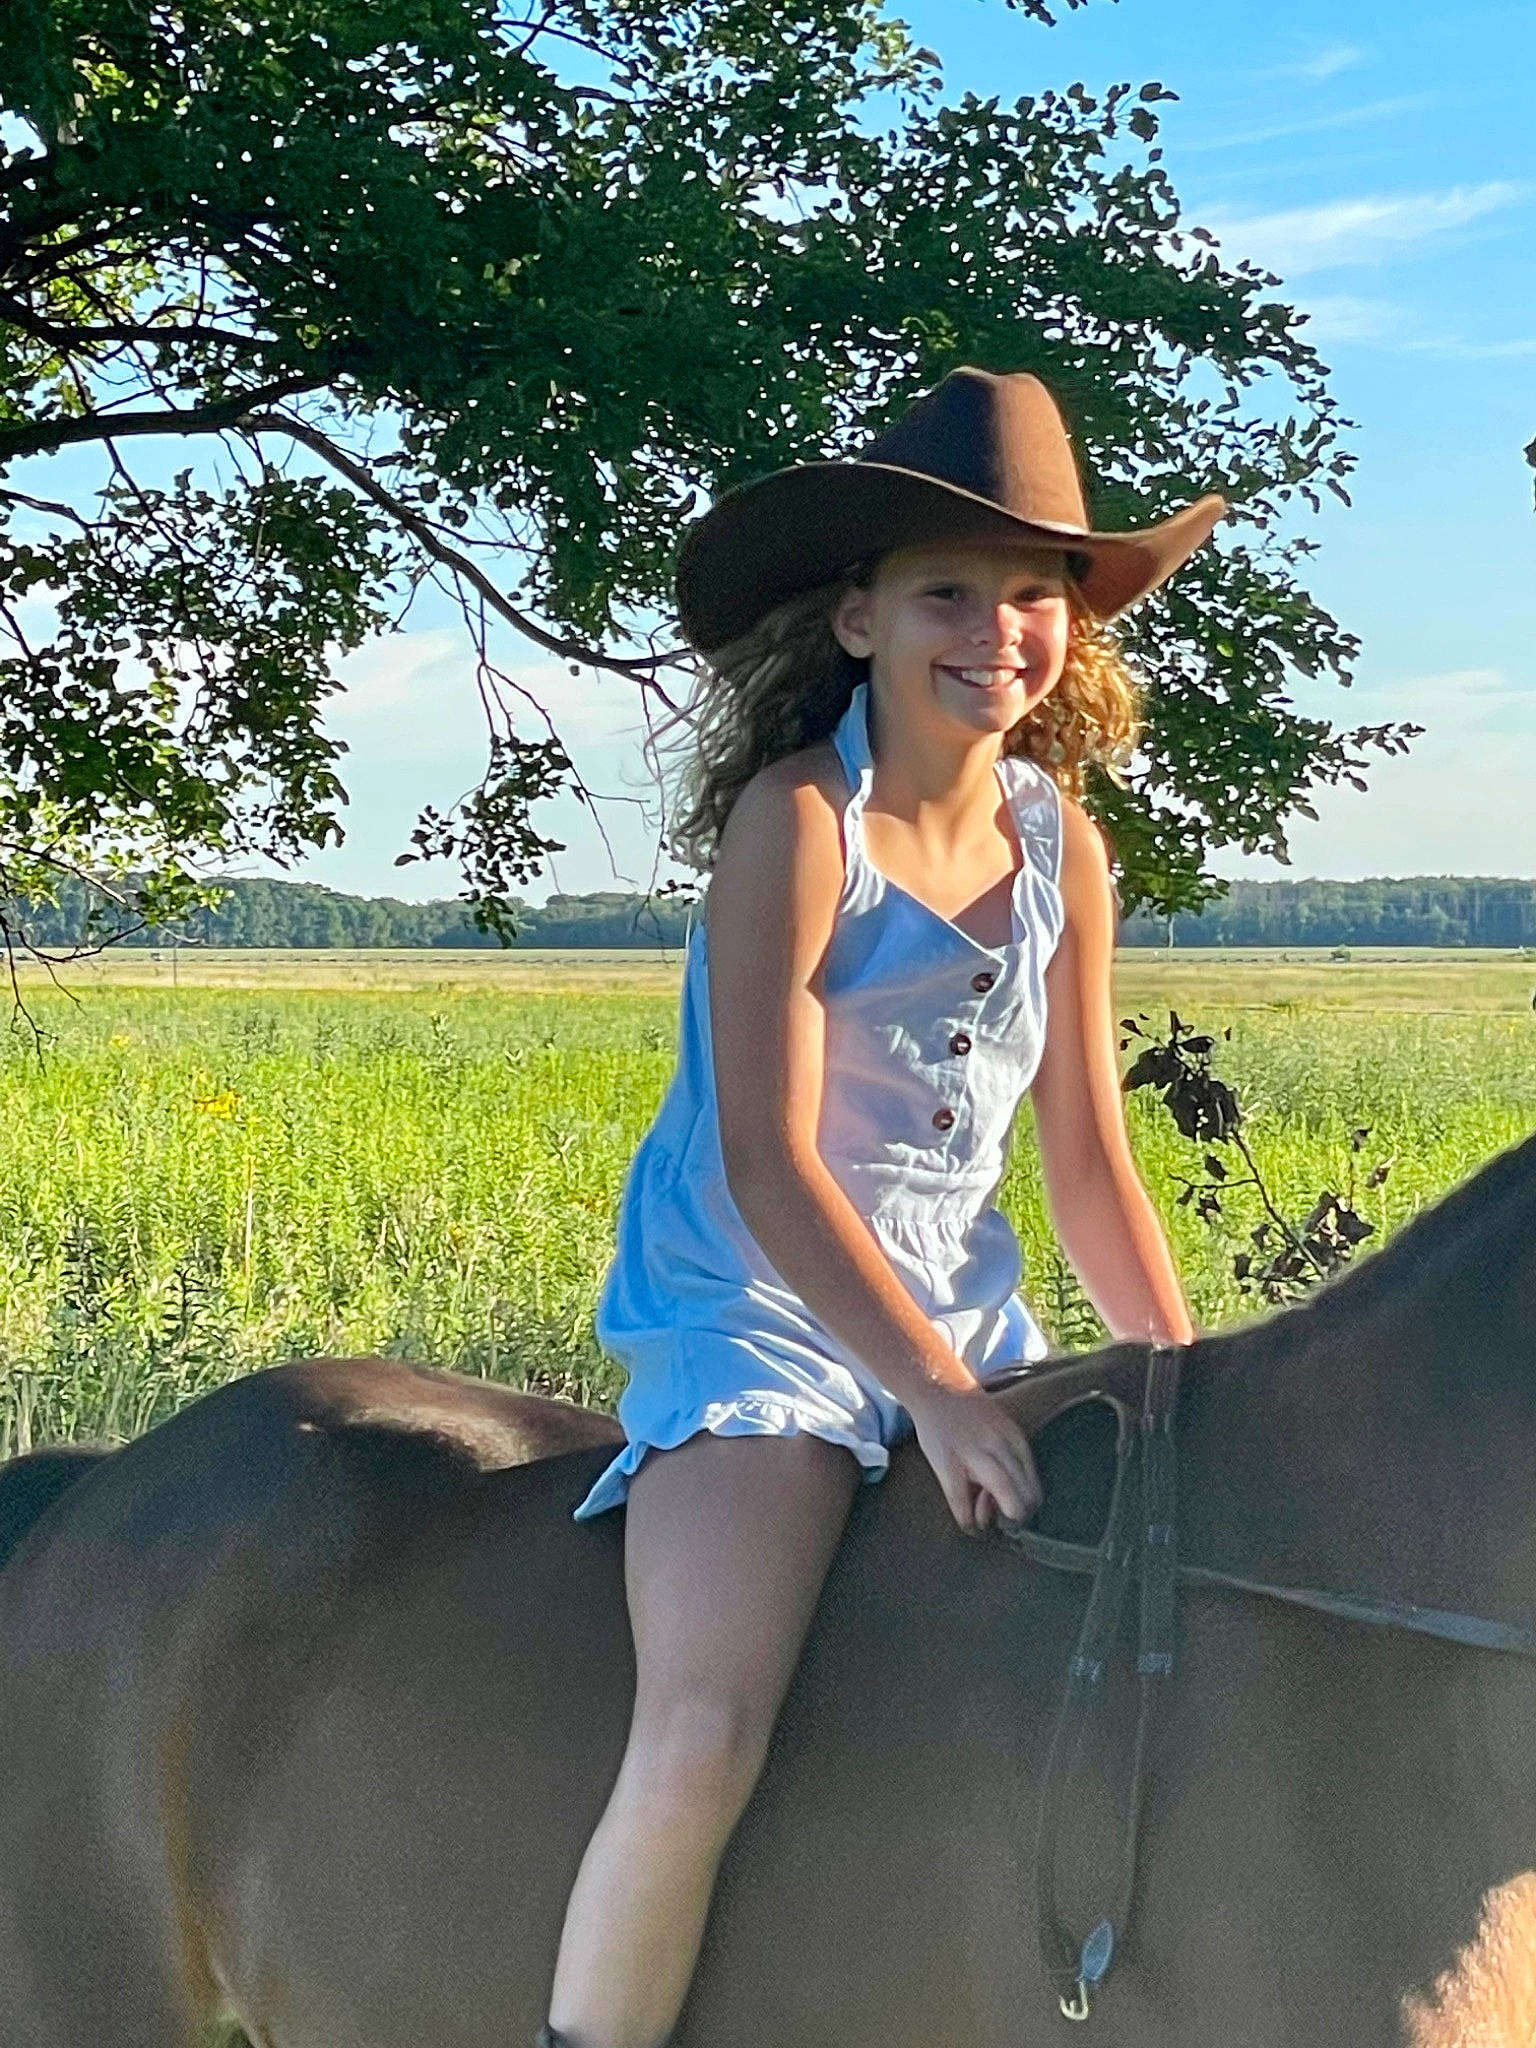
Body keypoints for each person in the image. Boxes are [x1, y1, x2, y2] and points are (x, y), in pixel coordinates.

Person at [539, 367, 1226, 2048]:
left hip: (970, 1312)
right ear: (856, 616)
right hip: (764, 1312)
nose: (997, 630)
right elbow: (770, 1163)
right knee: (703, 1729)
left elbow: (1084, 1154)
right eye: (947, 591)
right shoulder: (797, 825)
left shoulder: (1065, 841)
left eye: (1035, 595)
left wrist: (1180, 1367)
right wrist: (925, 1392)